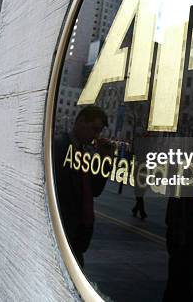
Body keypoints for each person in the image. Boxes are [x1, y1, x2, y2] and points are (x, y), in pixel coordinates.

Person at [54, 105, 112, 267]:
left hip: (76, 233)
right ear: (80, 122)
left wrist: (104, 160)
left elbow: (95, 190)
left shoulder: (85, 153)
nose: (96, 136)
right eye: (94, 129)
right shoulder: (60, 147)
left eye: (99, 131)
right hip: (65, 231)